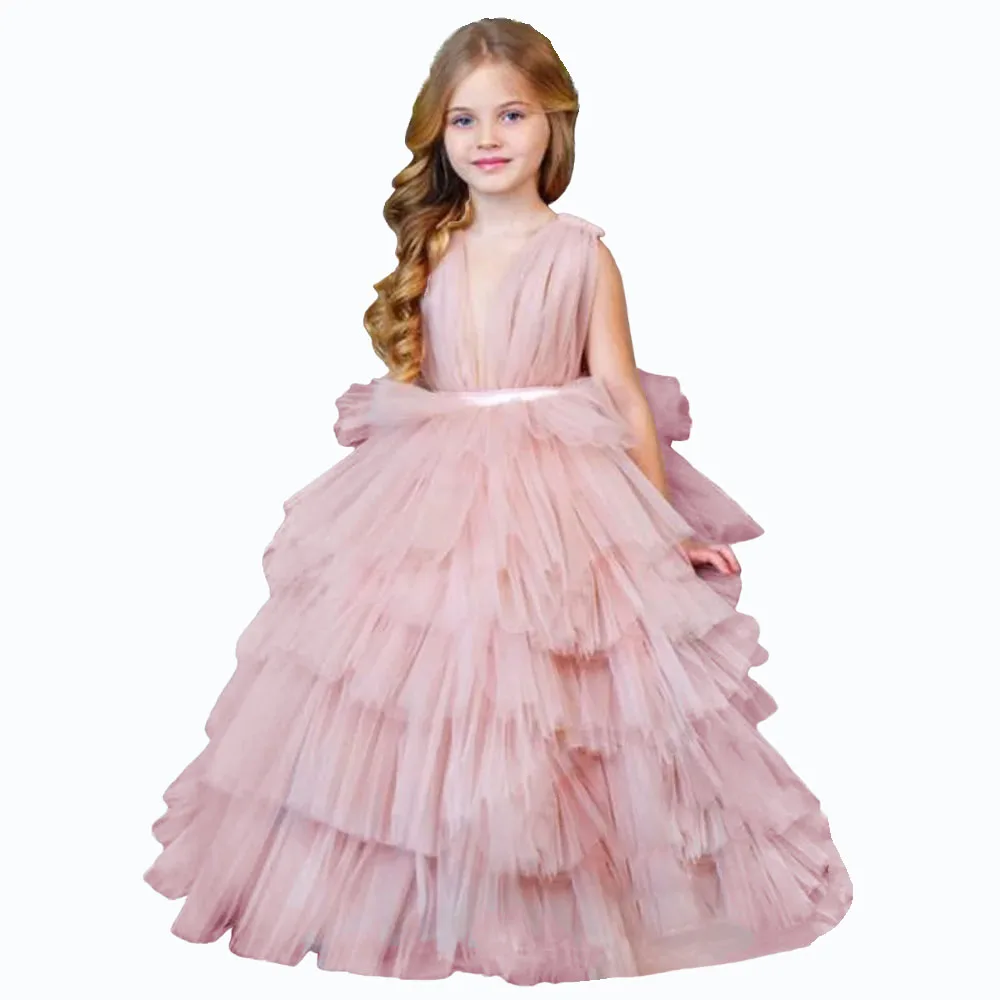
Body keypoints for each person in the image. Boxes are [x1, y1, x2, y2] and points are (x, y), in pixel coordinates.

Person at [143, 16, 853, 985]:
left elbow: (620, 394)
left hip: (561, 506)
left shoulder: (581, 253)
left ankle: (554, 906)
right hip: (435, 501)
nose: (487, 138)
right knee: (423, 699)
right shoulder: (433, 245)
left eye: (511, 114)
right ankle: (431, 903)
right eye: (464, 119)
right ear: (437, 133)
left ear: (553, 121)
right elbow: (427, 386)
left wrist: (666, 531)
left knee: (563, 704)